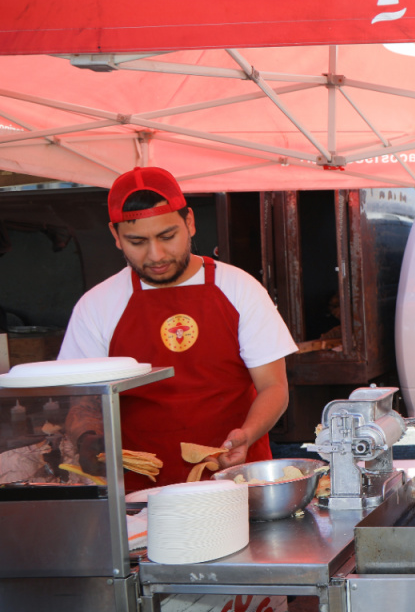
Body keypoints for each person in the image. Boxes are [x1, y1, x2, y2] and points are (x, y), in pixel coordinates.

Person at [59, 167, 296, 490]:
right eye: (137, 242)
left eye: (167, 236)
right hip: (139, 493)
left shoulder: (239, 288)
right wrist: (87, 438)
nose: (155, 255)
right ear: (115, 236)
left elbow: (273, 387)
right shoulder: (97, 305)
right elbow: (81, 399)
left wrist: (247, 434)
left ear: (190, 222)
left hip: (236, 480)